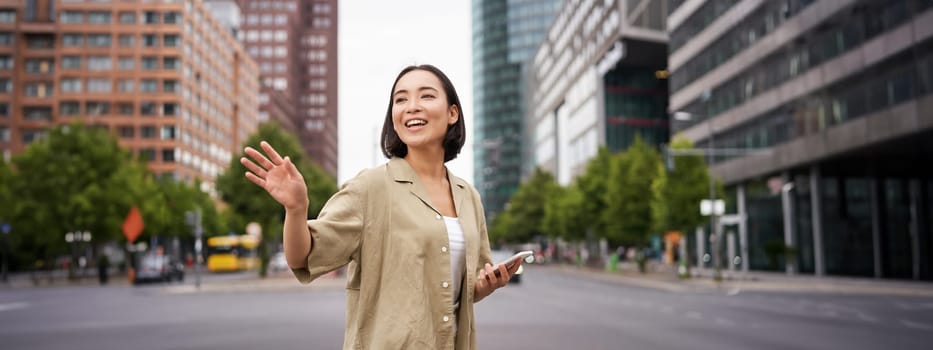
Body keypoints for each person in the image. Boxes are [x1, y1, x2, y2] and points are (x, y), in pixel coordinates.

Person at [241, 64, 521, 349]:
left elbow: (461, 286)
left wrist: (485, 286)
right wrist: (296, 209)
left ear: (452, 113)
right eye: (401, 99)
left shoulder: (468, 196)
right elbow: (303, 257)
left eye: (426, 96)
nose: (411, 107)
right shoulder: (370, 188)